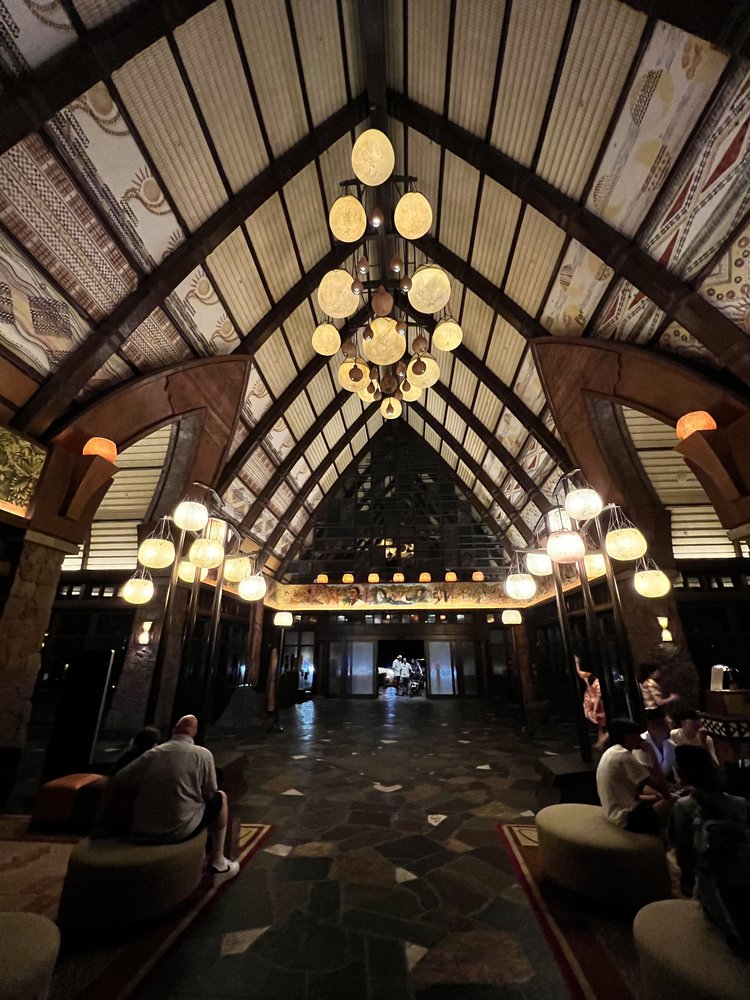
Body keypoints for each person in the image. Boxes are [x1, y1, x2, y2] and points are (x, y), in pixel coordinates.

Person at [106, 714, 239, 883]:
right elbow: (210, 793)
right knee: (220, 798)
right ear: (194, 733)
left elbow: (118, 780)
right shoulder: (203, 754)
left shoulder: (152, 754)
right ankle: (218, 862)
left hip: (142, 828)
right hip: (179, 829)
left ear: (174, 730)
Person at [667, 745, 748, 898]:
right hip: (741, 874)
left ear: (682, 775)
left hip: (706, 886)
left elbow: (683, 852)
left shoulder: (683, 807)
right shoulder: (742, 804)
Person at [596, 718, 673, 834]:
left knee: (662, 802)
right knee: (673, 802)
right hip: (627, 818)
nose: (641, 739)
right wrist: (651, 753)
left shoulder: (611, 752)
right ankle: (672, 846)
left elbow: (633, 794)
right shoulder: (623, 756)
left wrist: (656, 797)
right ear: (628, 736)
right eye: (637, 735)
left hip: (613, 814)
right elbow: (662, 788)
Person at [636, 707, 677, 781]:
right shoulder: (640, 745)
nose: (669, 729)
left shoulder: (671, 746)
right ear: (652, 728)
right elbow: (649, 780)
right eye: (664, 725)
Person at [575, 654, 607, 745]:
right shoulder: (590, 677)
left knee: (603, 727)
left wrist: (594, 709)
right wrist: (577, 662)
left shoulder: (597, 681)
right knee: (601, 727)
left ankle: (602, 744)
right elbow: (579, 672)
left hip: (600, 706)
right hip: (595, 705)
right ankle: (601, 744)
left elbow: (599, 697)